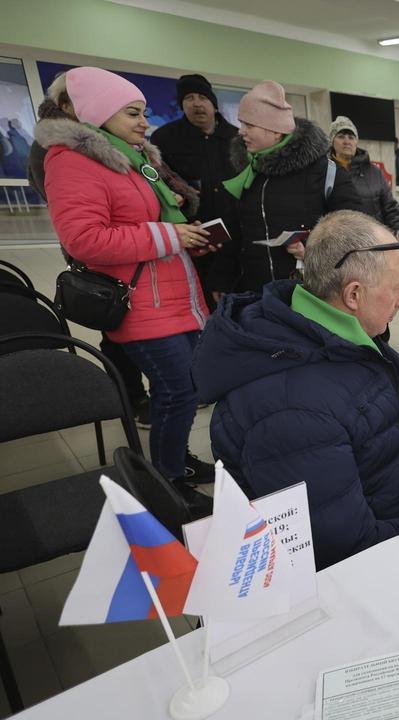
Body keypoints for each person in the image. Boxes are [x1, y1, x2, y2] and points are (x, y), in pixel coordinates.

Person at [193, 210, 399, 570]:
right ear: (353, 294)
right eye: (398, 287)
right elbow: (343, 545)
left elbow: (383, 444)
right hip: (351, 558)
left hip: (381, 504)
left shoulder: (332, 332)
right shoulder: (291, 413)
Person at [38, 67, 214, 512]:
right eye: (132, 113)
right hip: (140, 305)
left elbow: (142, 219)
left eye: (144, 113)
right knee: (178, 392)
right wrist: (170, 237)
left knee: (183, 391)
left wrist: (187, 234)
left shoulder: (132, 158)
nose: (143, 122)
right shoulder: (72, 160)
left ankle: (177, 462)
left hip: (171, 295)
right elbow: (85, 239)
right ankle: (168, 482)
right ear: (97, 112)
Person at [216, 80, 363, 294]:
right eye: (242, 124)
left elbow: (354, 230)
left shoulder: (325, 172)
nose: (241, 132)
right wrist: (222, 278)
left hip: (313, 290)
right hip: (256, 292)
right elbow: (235, 231)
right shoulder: (247, 173)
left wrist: (313, 252)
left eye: (249, 125)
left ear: (275, 131)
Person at [150, 73, 240, 309]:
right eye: (189, 98)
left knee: (233, 300)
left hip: (233, 234)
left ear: (213, 103)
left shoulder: (236, 138)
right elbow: (159, 183)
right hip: (190, 234)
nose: (196, 103)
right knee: (195, 301)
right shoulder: (165, 138)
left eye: (202, 97)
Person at [327, 115, 399, 238]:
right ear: (332, 141)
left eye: (351, 137)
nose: (347, 141)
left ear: (356, 142)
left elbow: (389, 206)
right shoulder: (324, 172)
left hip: (373, 239)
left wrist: (397, 229)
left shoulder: (375, 172)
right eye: (341, 136)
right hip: (338, 241)